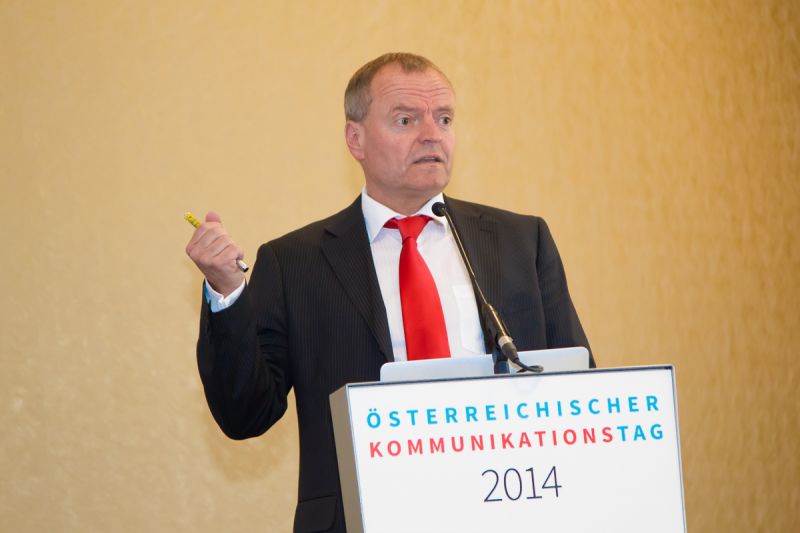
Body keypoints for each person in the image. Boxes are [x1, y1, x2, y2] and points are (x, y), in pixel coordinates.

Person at [185, 52, 593, 533]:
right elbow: (246, 413)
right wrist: (227, 292)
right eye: (406, 119)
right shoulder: (295, 262)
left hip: (509, 513)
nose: (432, 134)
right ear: (355, 139)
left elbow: (580, 387)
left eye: (444, 119)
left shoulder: (521, 241)